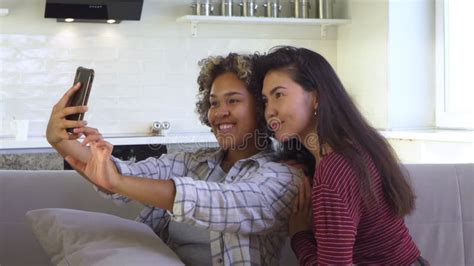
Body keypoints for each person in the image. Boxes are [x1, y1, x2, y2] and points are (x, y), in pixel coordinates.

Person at [46, 53, 304, 266]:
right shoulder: (192, 164)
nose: (220, 113)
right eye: (213, 103)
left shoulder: (284, 177)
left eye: (233, 101)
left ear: (261, 108)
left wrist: (117, 181)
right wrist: (60, 140)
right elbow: (119, 175)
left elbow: (220, 202)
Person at [257, 46, 428, 265]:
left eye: (278, 95)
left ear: (316, 97)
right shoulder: (357, 145)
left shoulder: (335, 169)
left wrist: (299, 236)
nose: (269, 110)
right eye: (265, 101)